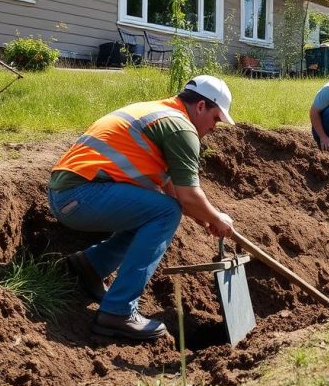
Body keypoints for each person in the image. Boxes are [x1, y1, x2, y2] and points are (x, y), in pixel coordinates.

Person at [48, 76, 236, 341]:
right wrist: (218, 217)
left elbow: (175, 190)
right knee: (166, 212)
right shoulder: (182, 128)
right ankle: (118, 312)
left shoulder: (162, 115)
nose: (215, 128)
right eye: (216, 118)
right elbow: (188, 196)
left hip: (71, 193)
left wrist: (206, 219)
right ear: (201, 106)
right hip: (79, 195)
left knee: (157, 210)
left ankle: (90, 267)